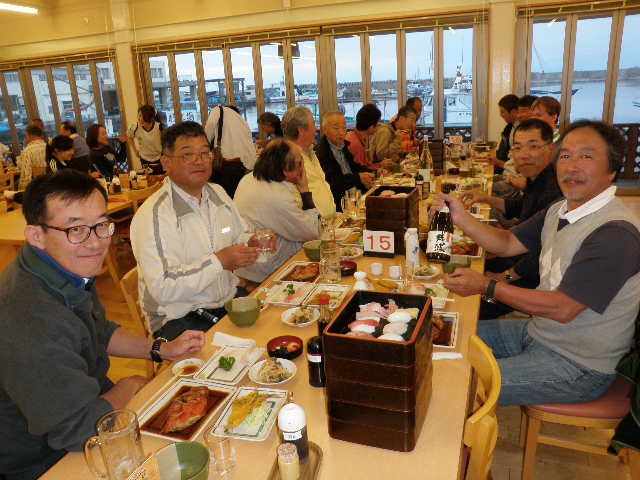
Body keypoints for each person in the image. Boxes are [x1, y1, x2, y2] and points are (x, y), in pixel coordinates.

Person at [0, 170, 204, 480]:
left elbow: (99, 330)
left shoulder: (62, 269)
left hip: (88, 412)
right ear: (36, 235)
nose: (96, 243)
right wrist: (128, 387)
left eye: (101, 225)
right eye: (76, 229)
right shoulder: (28, 317)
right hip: (46, 459)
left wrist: (161, 349)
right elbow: (77, 429)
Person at [436, 120, 640, 406]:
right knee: (439, 335)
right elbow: (507, 243)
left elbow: (563, 308)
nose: (572, 166)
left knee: (455, 384)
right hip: (539, 333)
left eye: (586, 156)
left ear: (612, 169)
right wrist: (460, 217)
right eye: (566, 155)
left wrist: (487, 286)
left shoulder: (615, 233)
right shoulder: (559, 209)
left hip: (578, 366)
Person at [130, 121, 263, 341]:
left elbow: (238, 235)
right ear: (166, 162)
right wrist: (219, 261)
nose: (199, 161)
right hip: (179, 317)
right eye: (187, 155)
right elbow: (164, 287)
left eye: (204, 153)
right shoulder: (154, 215)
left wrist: (252, 242)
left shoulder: (217, 193)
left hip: (225, 301)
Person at [462, 119, 563, 319]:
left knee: (468, 305)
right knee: (467, 266)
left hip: (532, 276)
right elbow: (520, 207)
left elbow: (542, 251)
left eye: (533, 146)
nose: (524, 155)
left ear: (551, 149)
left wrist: (504, 277)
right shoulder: (538, 178)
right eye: (517, 147)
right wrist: (485, 198)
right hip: (517, 260)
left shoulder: (554, 190)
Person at [234, 139, 320, 282]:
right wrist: (305, 190)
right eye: (300, 163)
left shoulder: (248, 178)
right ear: (285, 169)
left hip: (249, 267)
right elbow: (312, 232)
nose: (303, 168)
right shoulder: (277, 196)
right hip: (267, 273)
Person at [283, 106, 336, 219]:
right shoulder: (291, 160)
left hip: (331, 221)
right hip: (315, 225)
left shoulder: (310, 152)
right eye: (313, 124)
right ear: (301, 131)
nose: (316, 129)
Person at [315, 111, 373, 210]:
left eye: (344, 127)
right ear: (325, 130)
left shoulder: (343, 146)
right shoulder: (321, 153)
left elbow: (354, 167)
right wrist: (358, 178)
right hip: (339, 203)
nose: (341, 132)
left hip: (356, 196)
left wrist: (373, 172)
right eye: (336, 128)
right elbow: (333, 182)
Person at [204, 105, 256, 198]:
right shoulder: (242, 122)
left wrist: (204, 147)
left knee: (223, 196)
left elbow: (209, 129)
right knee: (236, 195)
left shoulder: (218, 110)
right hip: (241, 166)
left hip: (224, 165)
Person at [345, 103, 383, 170]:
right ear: (371, 126)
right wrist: (380, 166)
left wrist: (380, 164)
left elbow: (365, 166)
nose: (379, 127)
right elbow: (362, 171)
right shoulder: (355, 143)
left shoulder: (354, 135)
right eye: (378, 124)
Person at [127, 104, 163, 174]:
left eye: (141, 116)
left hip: (159, 158)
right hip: (144, 159)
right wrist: (135, 151)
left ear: (148, 117)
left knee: (160, 177)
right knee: (147, 178)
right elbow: (129, 137)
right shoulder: (134, 127)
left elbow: (166, 141)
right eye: (139, 115)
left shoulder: (159, 126)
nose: (139, 118)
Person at [494, 94, 519, 173]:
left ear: (513, 112)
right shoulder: (510, 128)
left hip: (511, 174)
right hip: (506, 170)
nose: (501, 115)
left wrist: (498, 162)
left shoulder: (520, 131)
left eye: (503, 112)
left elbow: (516, 165)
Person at [18, 125, 47, 190]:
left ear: (30, 136)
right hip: (51, 186)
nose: (25, 138)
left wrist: (21, 191)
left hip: (36, 188)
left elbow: (26, 177)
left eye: (26, 136)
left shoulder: (28, 150)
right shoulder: (49, 147)